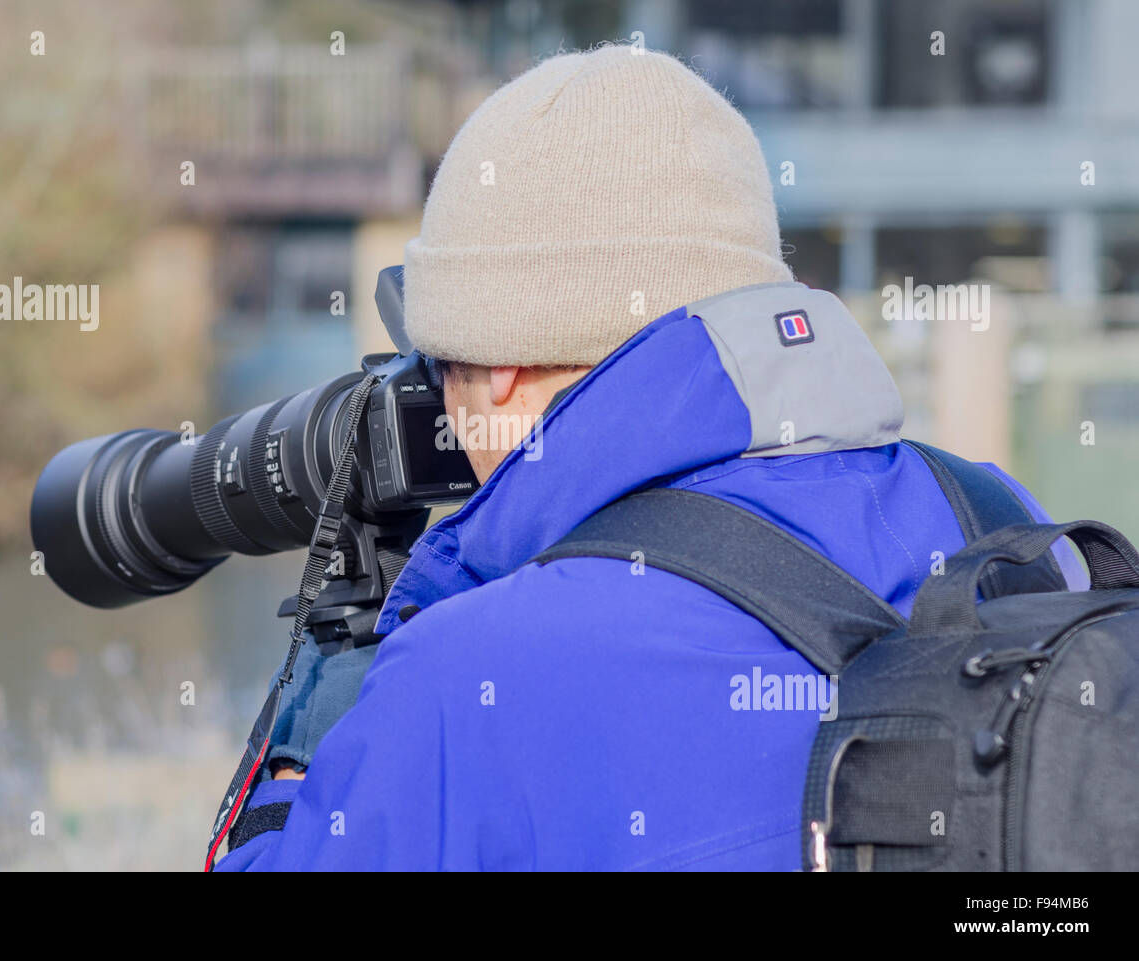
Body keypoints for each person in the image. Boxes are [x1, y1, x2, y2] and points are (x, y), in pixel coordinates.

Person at [214, 45, 1081, 871]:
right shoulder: (1009, 529)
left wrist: (322, 704)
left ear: (502, 360)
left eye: (441, 367)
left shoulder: (467, 680)